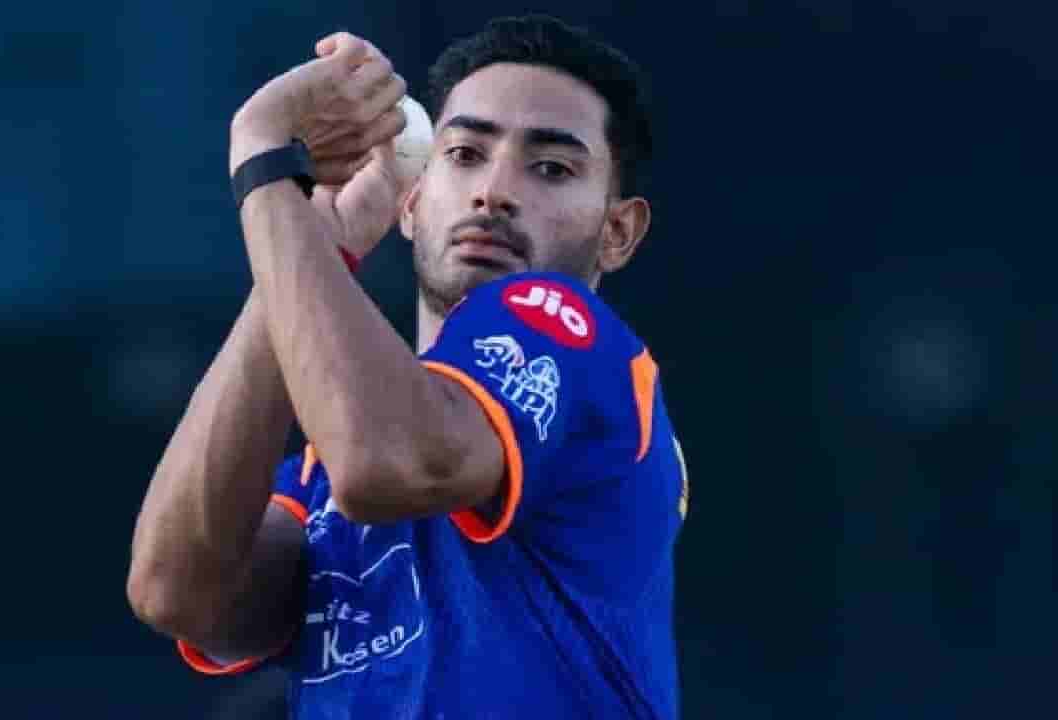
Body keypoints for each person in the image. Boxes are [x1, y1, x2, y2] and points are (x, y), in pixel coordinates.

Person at [127, 14, 688, 720]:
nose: (494, 191)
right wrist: (310, 239)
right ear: (412, 200)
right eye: (464, 154)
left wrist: (265, 164)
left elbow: (385, 463)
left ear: (617, 231)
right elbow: (176, 592)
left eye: (551, 168)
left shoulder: (575, 337)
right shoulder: (323, 468)